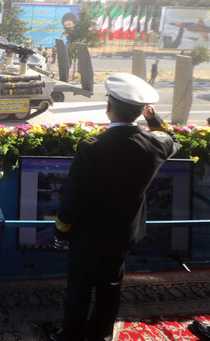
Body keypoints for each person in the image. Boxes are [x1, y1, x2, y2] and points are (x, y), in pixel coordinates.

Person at [53, 73, 180, 341]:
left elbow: (72, 196)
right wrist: (153, 119)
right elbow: (172, 138)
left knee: (80, 288)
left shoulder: (92, 148)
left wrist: (62, 230)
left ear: (109, 106)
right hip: (124, 234)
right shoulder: (155, 145)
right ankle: (101, 335)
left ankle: (72, 335)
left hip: (88, 234)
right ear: (140, 111)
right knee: (110, 287)